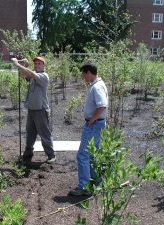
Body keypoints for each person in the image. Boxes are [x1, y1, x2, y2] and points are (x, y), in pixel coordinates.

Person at [69, 60, 108, 196]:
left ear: (89, 73)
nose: (83, 77)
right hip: (97, 124)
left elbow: (102, 105)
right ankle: (96, 183)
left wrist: (92, 119)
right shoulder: (97, 85)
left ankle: (84, 186)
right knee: (92, 155)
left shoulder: (97, 87)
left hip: (94, 125)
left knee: (83, 155)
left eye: (83, 74)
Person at [11, 56, 56, 164]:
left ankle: (51, 155)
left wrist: (17, 64)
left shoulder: (44, 76)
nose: (37, 65)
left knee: (45, 134)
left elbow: (31, 74)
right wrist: (24, 66)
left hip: (41, 110)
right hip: (31, 110)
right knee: (30, 134)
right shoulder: (32, 76)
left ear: (44, 65)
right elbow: (22, 75)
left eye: (39, 63)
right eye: (35, 63)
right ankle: (27, 155)